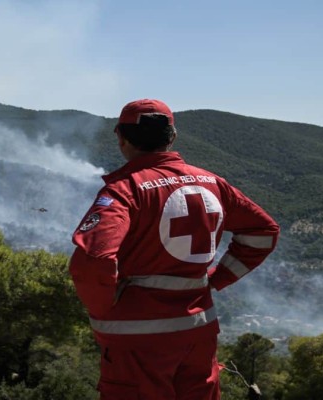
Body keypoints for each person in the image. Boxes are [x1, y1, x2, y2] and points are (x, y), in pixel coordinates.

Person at [69, 99, 280, 400]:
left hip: (138, 342)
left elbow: (92, 259)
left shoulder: (124, 190)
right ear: (173, 137)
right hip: (199, 331)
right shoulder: (213, 183)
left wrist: (105, 310)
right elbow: (264, 232)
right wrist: (216, 278)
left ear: (121, 138)